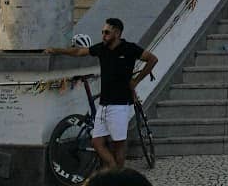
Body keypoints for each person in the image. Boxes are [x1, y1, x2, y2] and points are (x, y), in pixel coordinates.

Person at [46, 19, 157, 173]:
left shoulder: (129, 49)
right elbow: (79, 52)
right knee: (97, 142)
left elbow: (152, 59)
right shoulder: (102, 48)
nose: (103, 35)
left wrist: (135, 81)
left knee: (119, 143)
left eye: (107, 32)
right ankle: (113, 169)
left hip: (120, 104)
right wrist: (57, 50)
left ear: (117, 33)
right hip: (104, 104)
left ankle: (118, 175)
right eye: (102, 32)